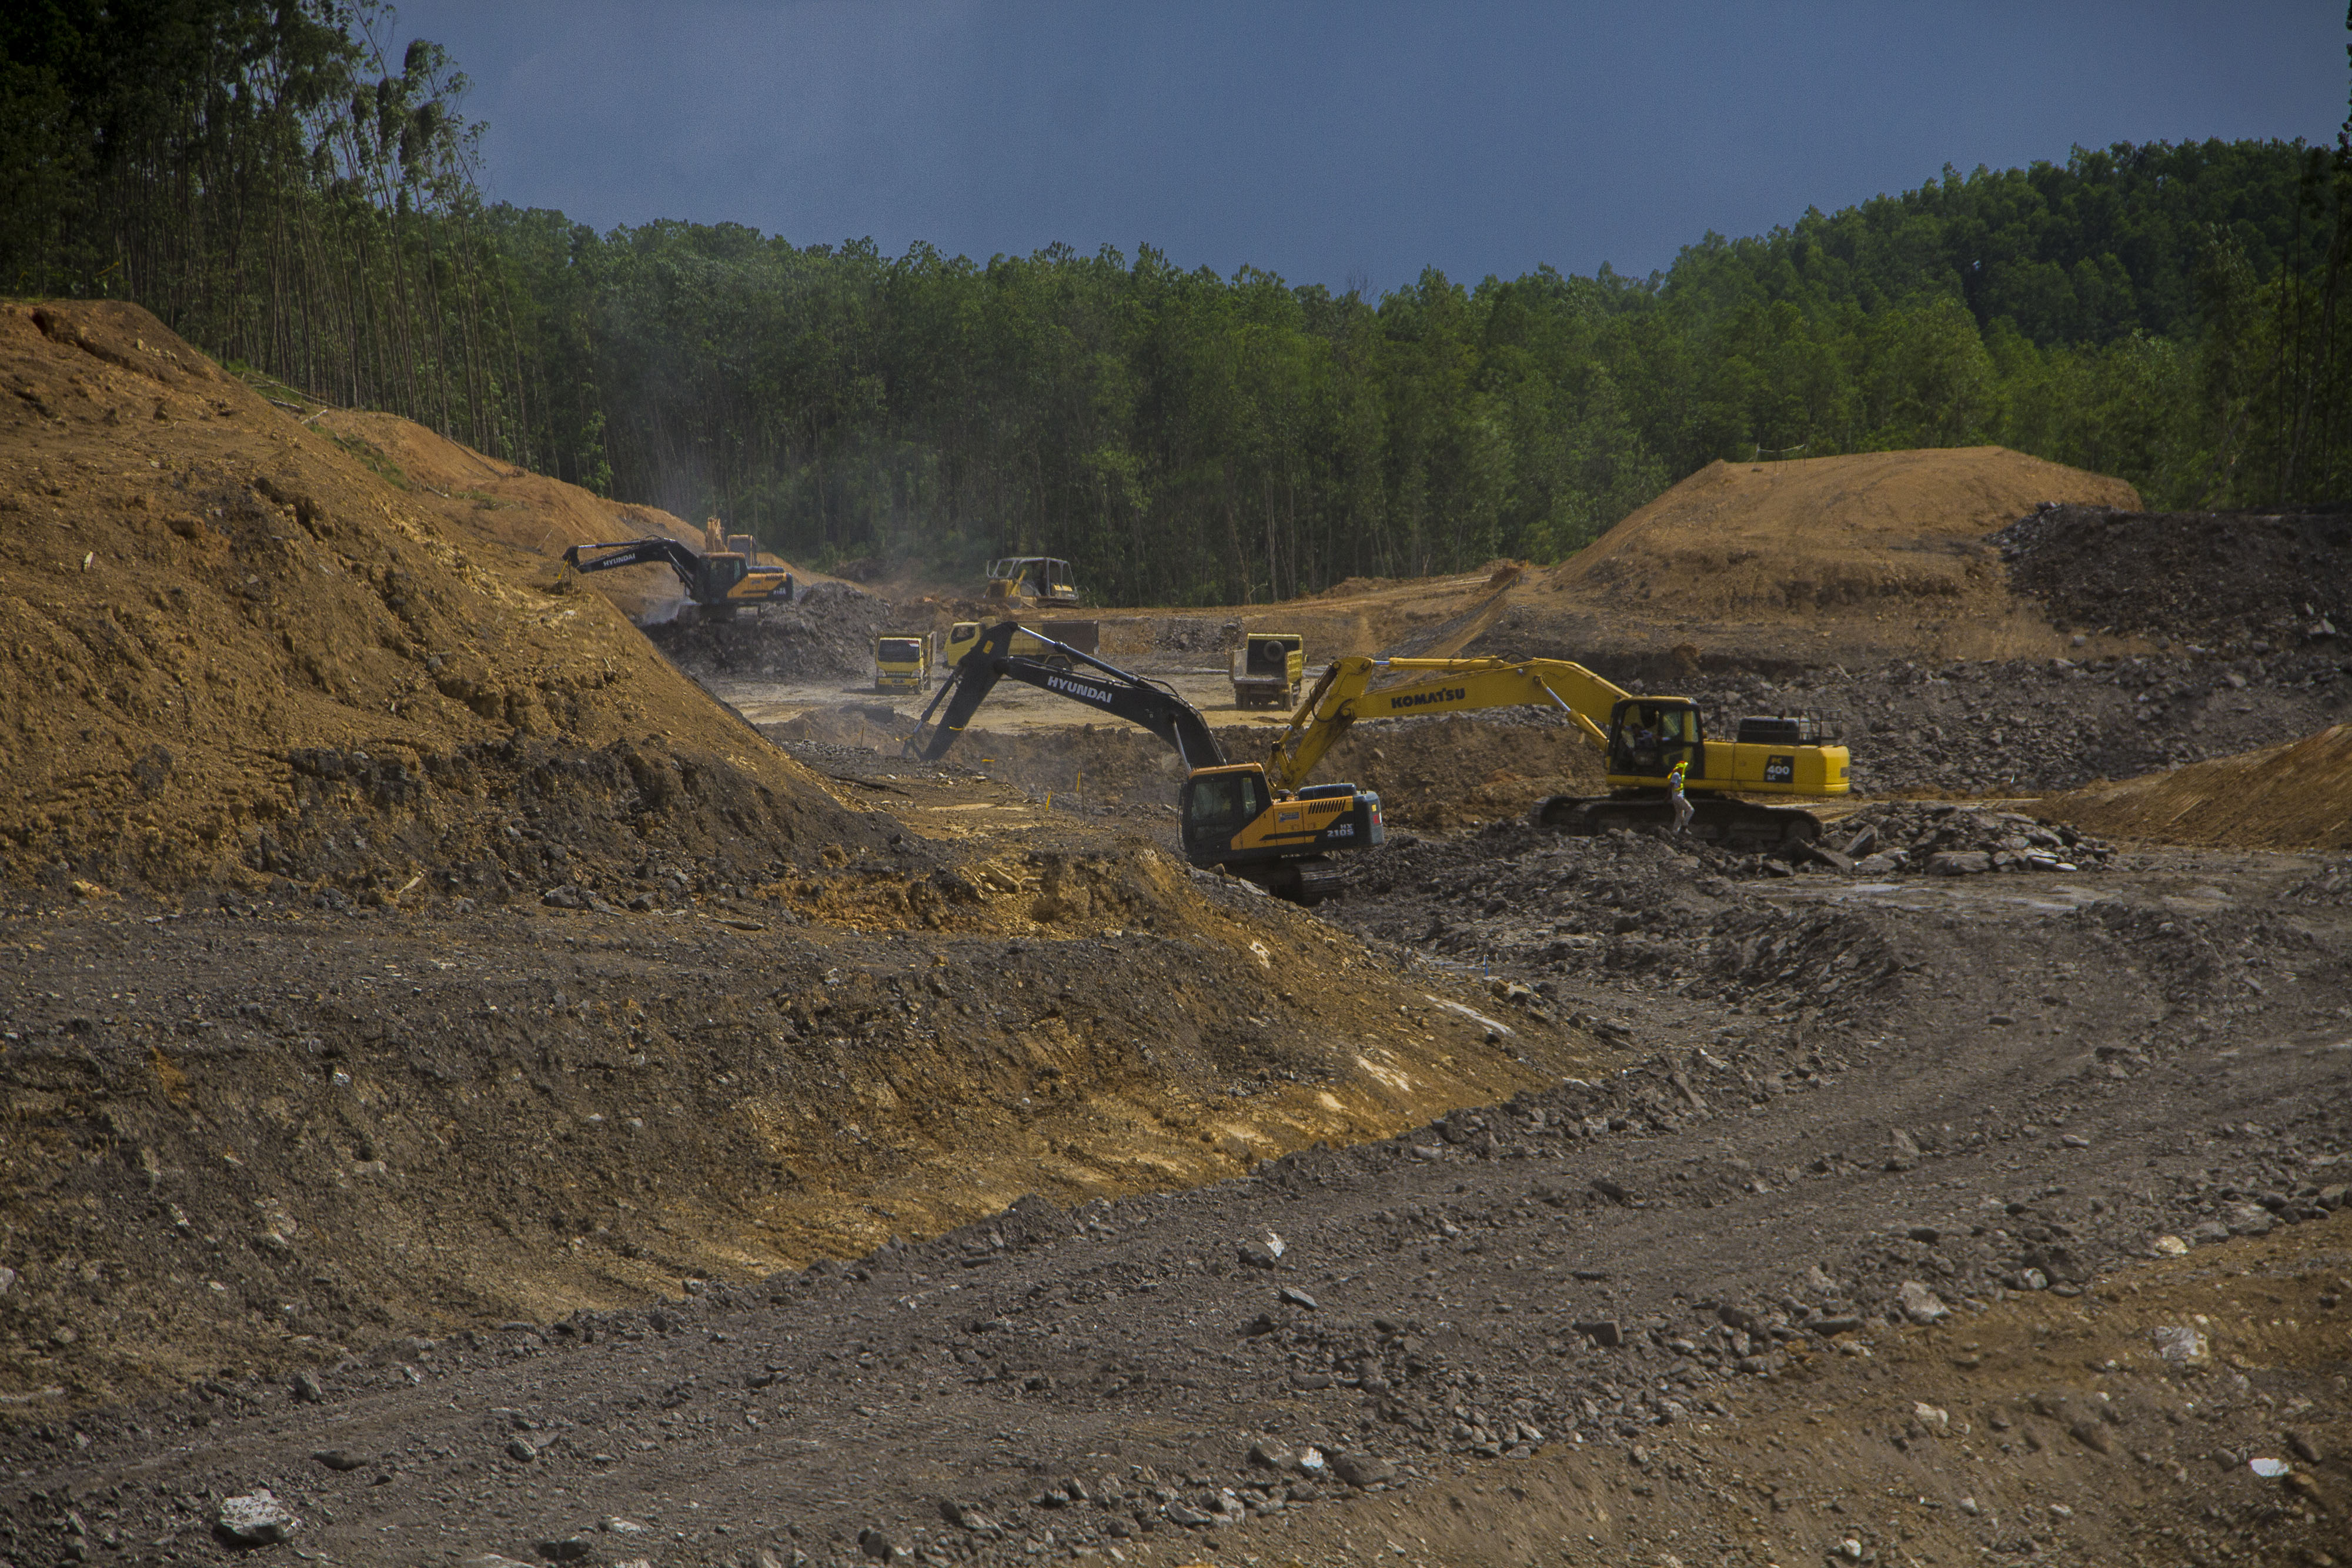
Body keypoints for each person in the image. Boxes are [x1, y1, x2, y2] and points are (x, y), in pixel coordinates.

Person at [1667, 756, 1693, 835]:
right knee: (1690, 810)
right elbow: (1671, 785)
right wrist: (1667, 796)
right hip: (1678, 798)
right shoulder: (1676, 775)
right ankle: (1684, 827)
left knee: (1680, 815)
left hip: (1676, 798)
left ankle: (1675, 832)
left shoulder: (1679, 775)